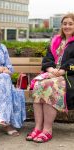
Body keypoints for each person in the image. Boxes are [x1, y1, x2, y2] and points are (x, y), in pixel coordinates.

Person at [26, 13, 74, 143]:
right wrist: (51, 69)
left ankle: (47, 130)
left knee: (50, 86)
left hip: (69, 77)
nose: (67, 26)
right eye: (65, 24)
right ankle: (38, 128)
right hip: (53, 74)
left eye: (70, 24)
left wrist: (64, 70)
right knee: (38, 85)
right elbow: (47, 59)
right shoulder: (56, 41)